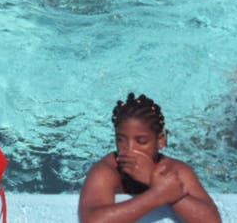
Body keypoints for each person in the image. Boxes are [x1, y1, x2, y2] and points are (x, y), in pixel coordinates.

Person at [78, 93, 221, 223]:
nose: (129, 149)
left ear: (160, 140)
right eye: (121, 140)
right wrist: (156, 195)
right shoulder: (106, 171)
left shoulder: (175, 169)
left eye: (141, 141)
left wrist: (158, 183)